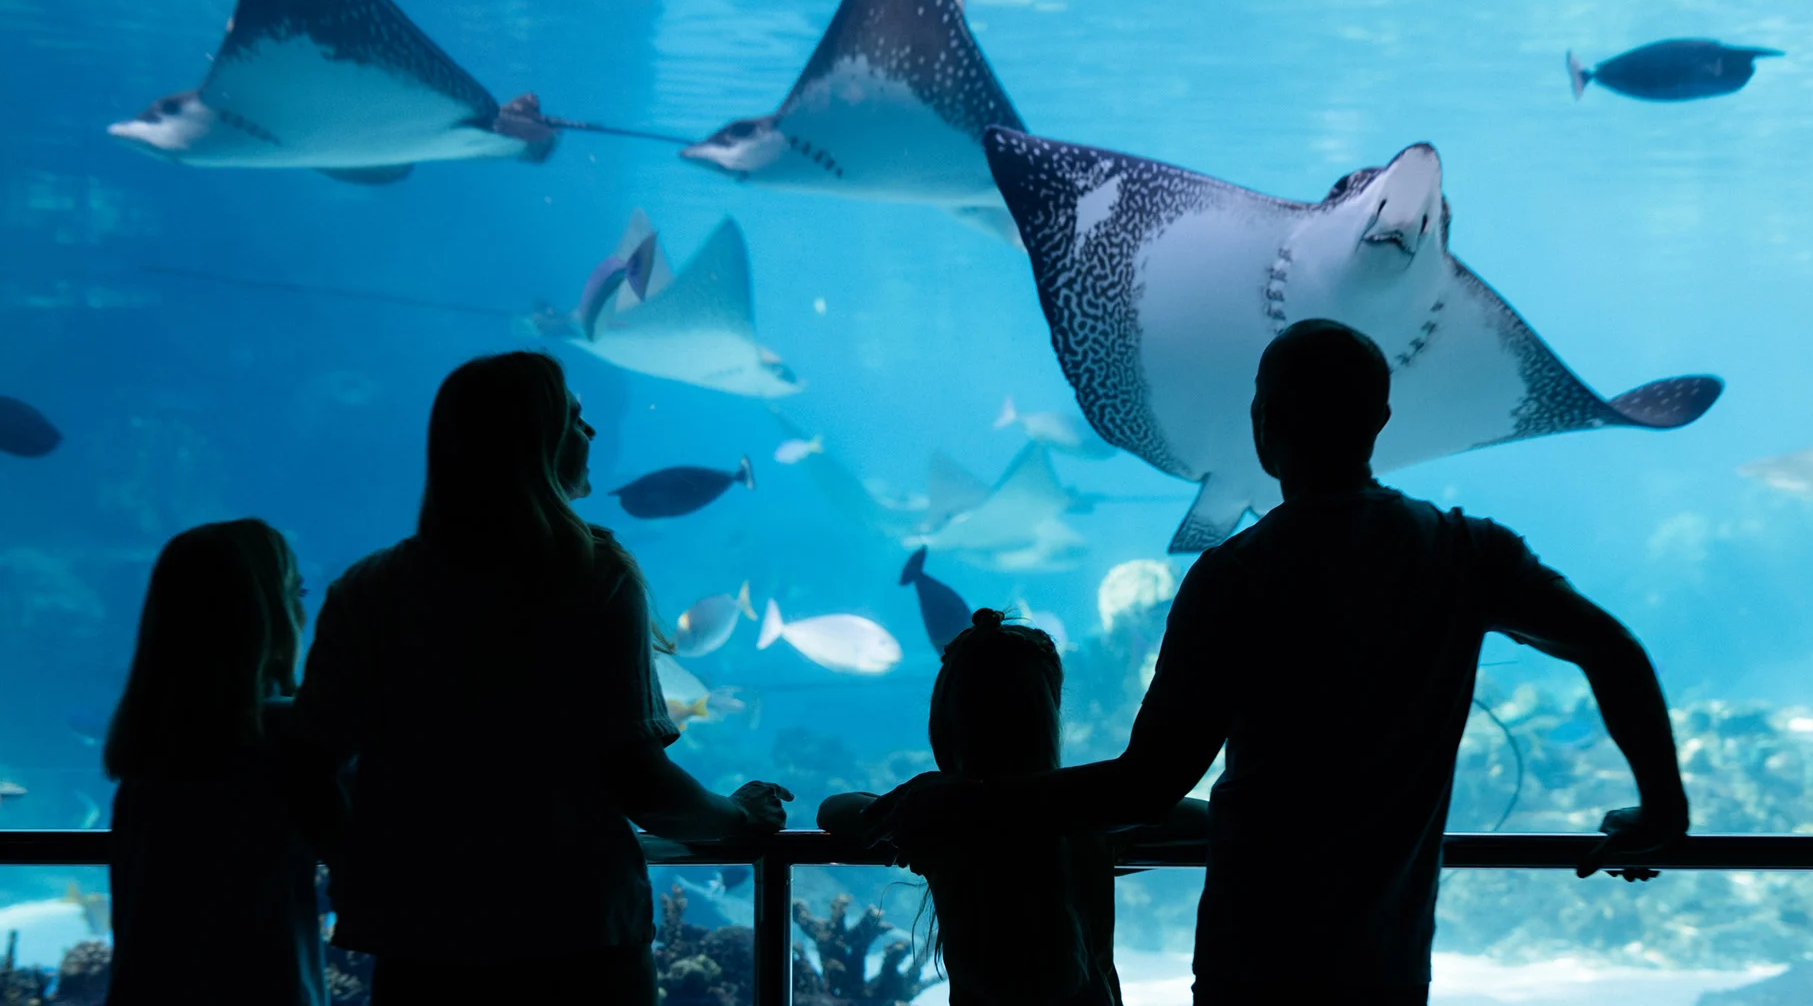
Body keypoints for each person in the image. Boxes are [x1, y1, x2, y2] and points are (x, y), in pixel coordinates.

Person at [864, 320, 1691, 1005]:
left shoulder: (1234, 578)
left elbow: (1145, 784)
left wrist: (967, 805)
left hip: (1253, 961)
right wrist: (1662, 810)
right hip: (1389, 964)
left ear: (1263, 428)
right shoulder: (1466, 554)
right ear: (1380, 421)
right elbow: (1608, 648)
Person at [295, 351, 790, 1005]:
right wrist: (734, 815)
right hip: (575, 936)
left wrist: (366, 866)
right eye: (573, 419)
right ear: (532, 440)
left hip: (421, 943)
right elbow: (637, 780)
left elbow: (306, 768)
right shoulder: (594, 576)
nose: (590, 434)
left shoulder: (367, 590)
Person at [819, 609, 1207, 1006]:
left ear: (944, 720)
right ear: (1049, 714)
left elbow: (836, 810)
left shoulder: (937, 815)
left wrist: (941, 792)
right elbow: (1203, 818)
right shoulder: (1086, 817)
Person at [105, 518, 340, 1006]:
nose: (304, 609)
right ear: (270, 614)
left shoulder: (146, 751)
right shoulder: (285, 738)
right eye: (298, 590)